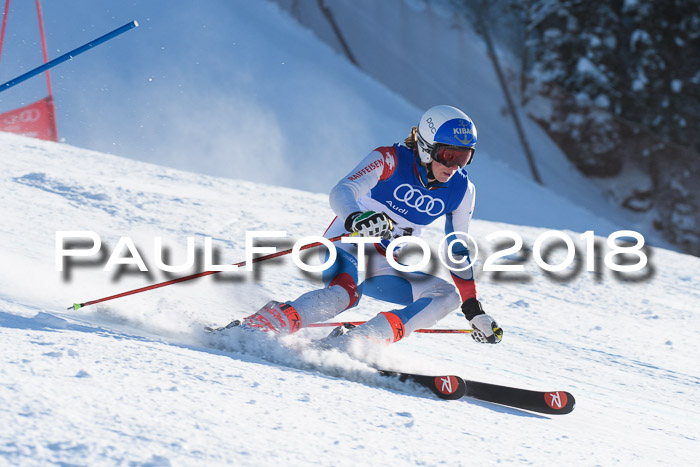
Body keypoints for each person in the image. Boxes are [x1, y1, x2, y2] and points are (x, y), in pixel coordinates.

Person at [237, 105, 502, 350]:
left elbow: (457, 250)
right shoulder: (390, 159)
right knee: (343, 296)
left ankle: (356, 343)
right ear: (425, 146)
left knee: (447, 297)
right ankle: (260, 326)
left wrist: (473, 309)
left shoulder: (463, 190)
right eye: (448, 155)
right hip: (347, 245)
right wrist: (356, 218)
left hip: (384, 262)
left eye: (464, 158)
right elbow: (342, 191)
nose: (454, 167)